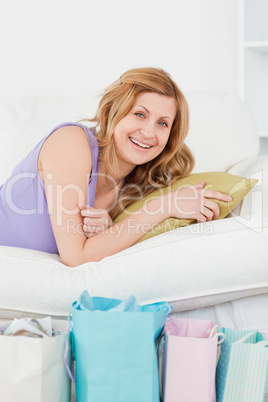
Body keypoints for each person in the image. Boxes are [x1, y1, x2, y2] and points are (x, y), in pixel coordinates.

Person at [0, 67, 231, 266]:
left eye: (162, 123)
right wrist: (165, 206)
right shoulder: (71, 141)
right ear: (113, 113)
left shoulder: (135, 188)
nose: (149, 132)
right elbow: (76, 258)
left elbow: (90, 249)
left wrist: (107, 232)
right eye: (140, 114)